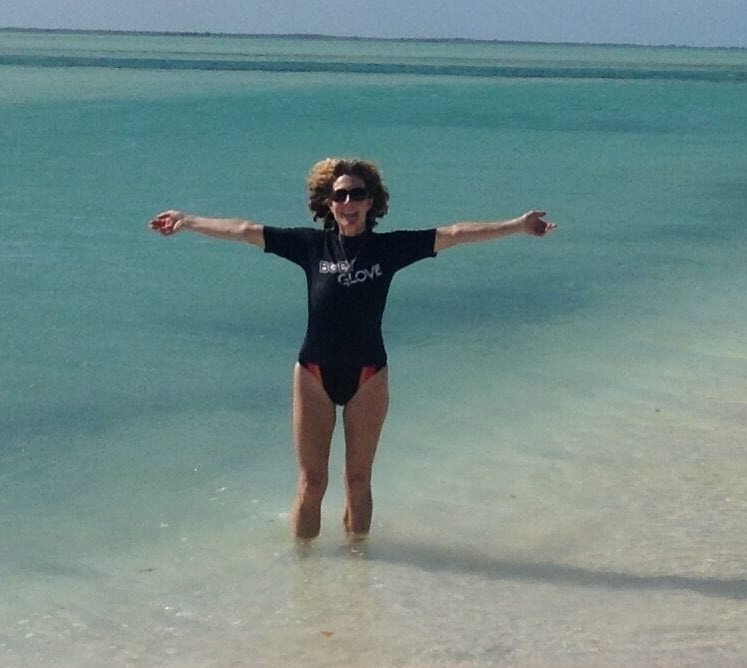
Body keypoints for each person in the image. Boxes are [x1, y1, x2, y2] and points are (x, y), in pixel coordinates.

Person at [151, 157, 552, 542]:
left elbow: (454, 234)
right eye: (339, 196)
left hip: (368, 375)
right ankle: (304, 574)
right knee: (312, 483)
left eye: (356, 194)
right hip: (313, 373)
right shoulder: (310, 246)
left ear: (371, 202)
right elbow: (244, 229)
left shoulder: (389, 249)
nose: (348, 203)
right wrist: (188, 221)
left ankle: (359, 573)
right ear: (328, 204)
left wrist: (518, 225)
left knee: (358, 481)